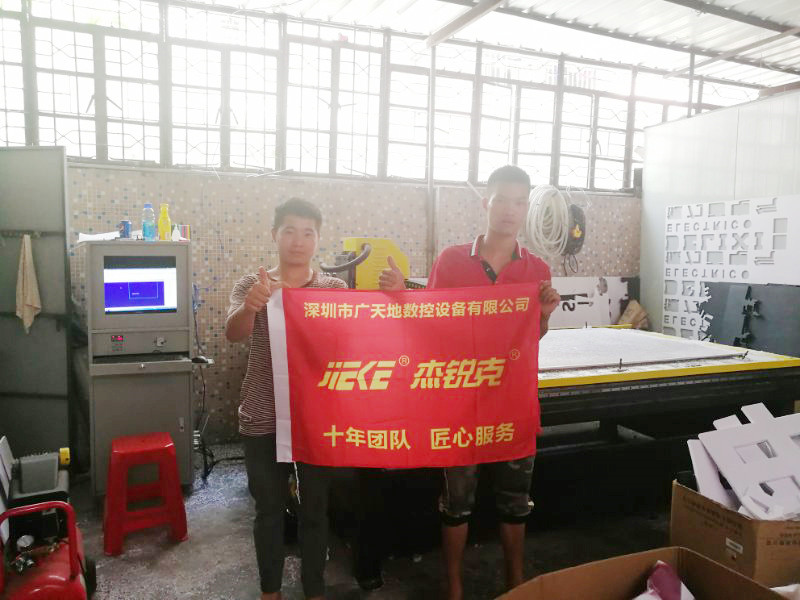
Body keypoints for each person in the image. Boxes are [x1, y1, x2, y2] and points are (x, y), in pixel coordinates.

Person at [379, 165, 561, 599]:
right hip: (458, 403)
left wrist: (543, 317)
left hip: (511, 400)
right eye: (502, 200)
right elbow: (430, 323)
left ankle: (514, 583)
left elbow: (530, 337)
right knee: (456, 503)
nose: (510, 210)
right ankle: (455, 588)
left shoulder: (537, 268)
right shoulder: (452, 260)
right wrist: (402, 293)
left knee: (515, 501)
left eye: (520, 202)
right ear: (486, 203)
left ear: (527, 208)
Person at [226, 197, 346, 600]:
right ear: (274, 234)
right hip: (263, 414)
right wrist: (250, 307)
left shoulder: (333, 290)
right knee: (269, 510)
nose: (298, 241)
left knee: (316, 510)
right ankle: (270, 591)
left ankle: (314, 589)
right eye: (290, 231)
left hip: (316, 417)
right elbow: (233, 333)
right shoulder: (253, 284)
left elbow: (351, 341)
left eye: (308, 233)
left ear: (318, 239)